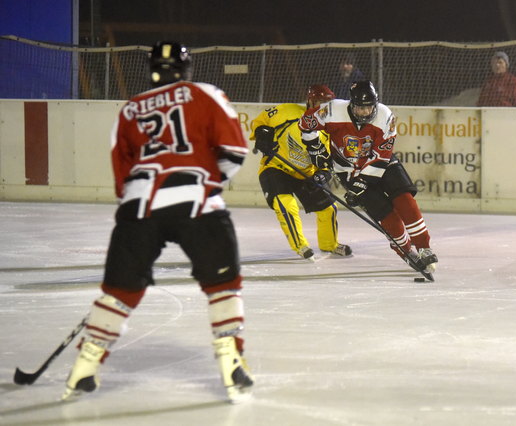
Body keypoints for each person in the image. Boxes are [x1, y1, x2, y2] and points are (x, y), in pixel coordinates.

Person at [61, 41, 253, 403]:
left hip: (139, 206)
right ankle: (231, 359)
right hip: (195, 200)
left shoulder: (130, 109)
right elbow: (235, 151)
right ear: (186, 68)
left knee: (119, 291)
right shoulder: (204, 93)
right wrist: (210, 183)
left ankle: (85, 366)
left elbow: (122, 173)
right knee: (223, 283)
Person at [298, 80, 437, 274]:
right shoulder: (332, 111)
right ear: (351, 104)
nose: (365, 112)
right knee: (386, 214)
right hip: (349, 170)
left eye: (369, 107)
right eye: (360, 108)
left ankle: (424, 247)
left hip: (382, 164)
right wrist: (315, 148)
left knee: (404, 198)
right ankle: (404, 249)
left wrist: (363, 181)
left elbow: (382, 155)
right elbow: (305, 124)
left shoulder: (385, 116)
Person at [249, 84, 352, 260]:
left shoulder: (330, 128)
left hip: (306, 173)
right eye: (318, 102)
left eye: (326, 104)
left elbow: (328, 158)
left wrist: (324, 172)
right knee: (286, 205)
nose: (321, 107)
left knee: (329, 209)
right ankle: (300, 245)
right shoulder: (287, 111)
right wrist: (261, 133)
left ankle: (330, 244)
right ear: (310, 100)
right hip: (276, 167)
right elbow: (260, 121)